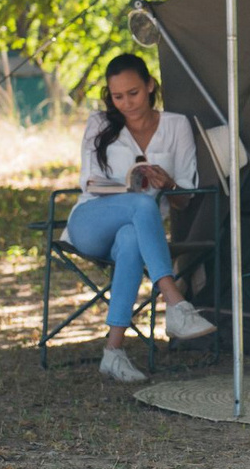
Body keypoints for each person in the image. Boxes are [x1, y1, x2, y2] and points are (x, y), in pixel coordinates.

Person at [65, 53, 215, 383]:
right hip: (90, 222)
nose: (126, 103)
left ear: (150, 86)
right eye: (117, 96)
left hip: (136, 231)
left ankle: (113, 352)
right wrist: (128, 188)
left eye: (133, 93)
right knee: (142, 204)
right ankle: (175, 302)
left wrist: (168, 184)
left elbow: (184, 198)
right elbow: (89, 182)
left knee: (133, 237)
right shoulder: (100, 123)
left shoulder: (176, 125)